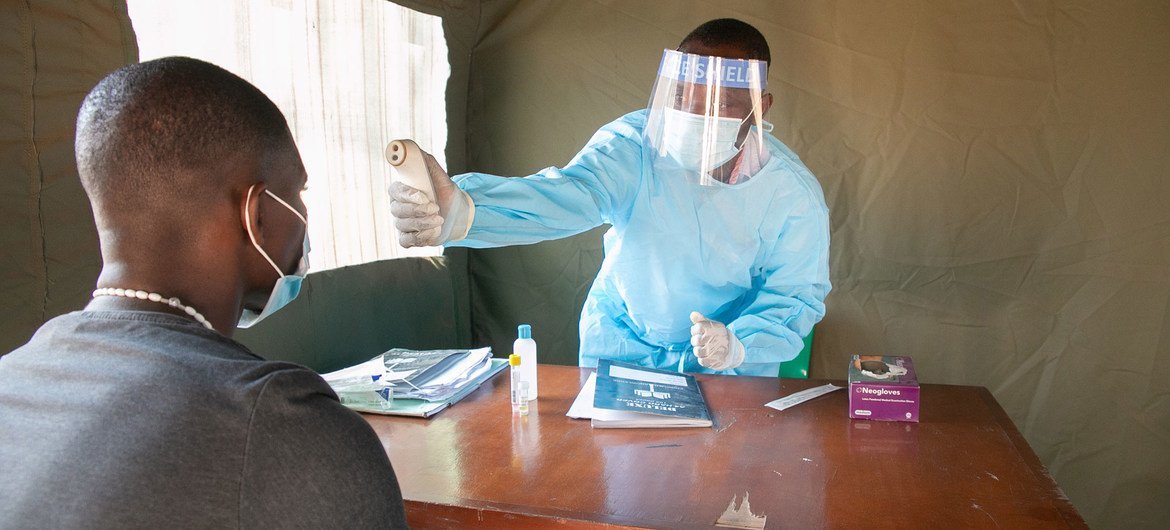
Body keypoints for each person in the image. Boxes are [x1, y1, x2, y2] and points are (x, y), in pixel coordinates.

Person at [0, 57, 408, 528]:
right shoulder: (285, 426)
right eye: (298, 192)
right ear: (255, 215)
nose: (301, 213)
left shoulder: (13, 375)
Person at [390, 19, 830, 377]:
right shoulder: (635, 144)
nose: (695, 117)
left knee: (724, 480)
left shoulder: (790, 195)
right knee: (618, 477)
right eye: (682, 98)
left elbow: (794, 296)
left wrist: (738, 346)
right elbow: (571, 193)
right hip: (621, 344)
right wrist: (466, 208)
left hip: (728, 359)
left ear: (761, 107)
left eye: (720, 105)